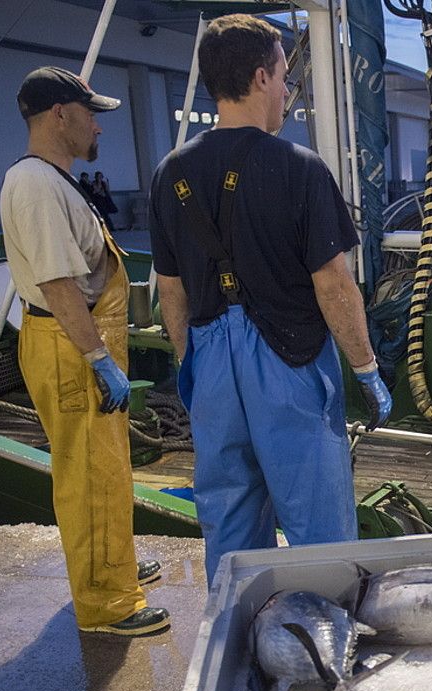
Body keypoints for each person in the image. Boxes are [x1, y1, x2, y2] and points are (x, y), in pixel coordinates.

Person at [148, 14, 391, 583]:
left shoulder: (169, 173)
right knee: (320, 532)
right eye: (285, 75)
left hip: (211, 361)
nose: (287, 89)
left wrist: (193, 364)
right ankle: (325, 647)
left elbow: (171, 288)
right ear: (261, 77)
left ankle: (235, 649)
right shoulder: (297, 167)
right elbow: (334, 285)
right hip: (288, 364)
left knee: (230, 528)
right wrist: (366, 369)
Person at [0, 66, 169, 636]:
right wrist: (98, 360)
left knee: (107, 468)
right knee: (88, 476)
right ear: (60, 116)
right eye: (91, 114)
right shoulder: (36, 185)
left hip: (78, 340)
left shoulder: (53, 179)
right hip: (70, 345)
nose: (99, 126)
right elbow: (58, 285)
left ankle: (112, 565)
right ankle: (106, 603)